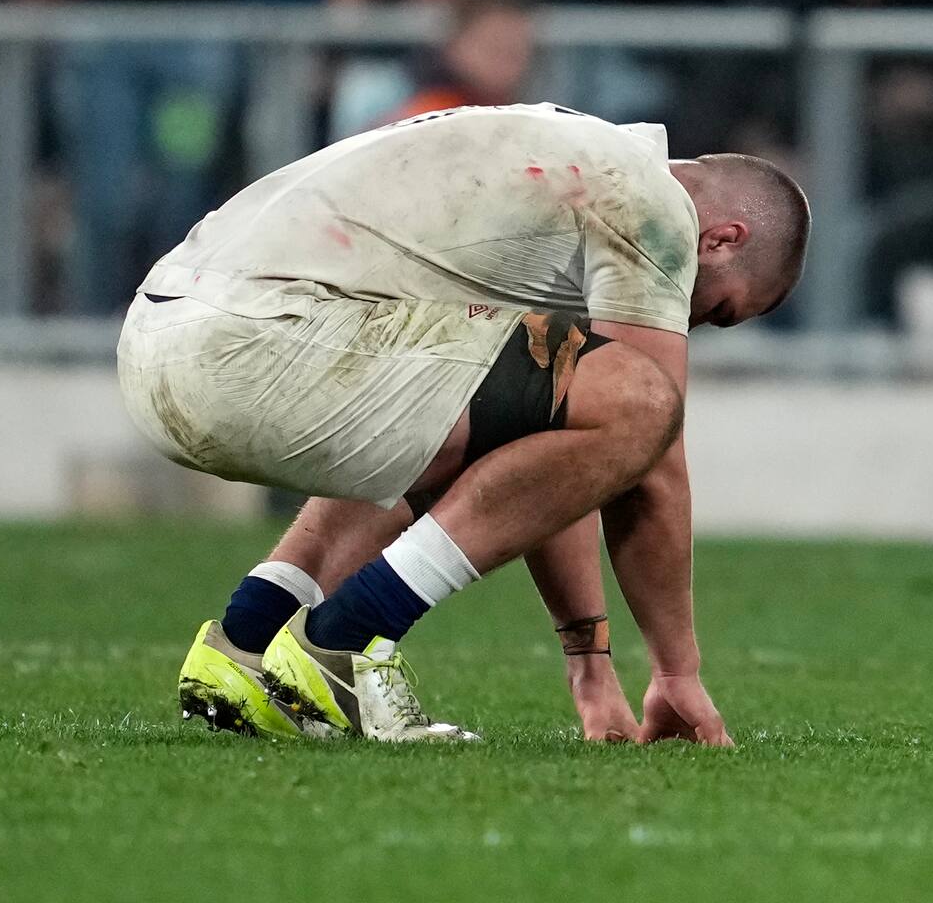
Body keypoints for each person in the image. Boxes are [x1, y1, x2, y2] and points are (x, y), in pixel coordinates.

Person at [117, 103, 809, 743]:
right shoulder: (651, 208)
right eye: (719, 311)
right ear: (722, 239)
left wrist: (590, 664)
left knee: (534, 392)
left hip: (166, 333)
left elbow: (553, 453)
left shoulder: (576, 163)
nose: (699, 324)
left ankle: (246, 643)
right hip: (256, 340)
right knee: (645, 399)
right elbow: (648, 454)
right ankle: (345, 642)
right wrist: (677, 673)